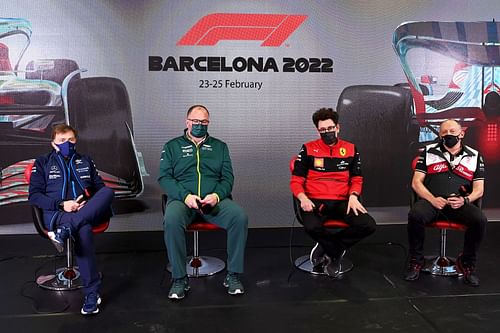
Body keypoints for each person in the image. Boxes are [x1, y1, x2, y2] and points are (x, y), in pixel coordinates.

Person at [159, 104, 248, 299]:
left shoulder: (220, 146)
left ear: (208, 123)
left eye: (204, 122)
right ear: (187, 122)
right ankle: (179, 279)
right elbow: (164, 178)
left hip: (213, 201)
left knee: (239, 217)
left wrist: (216, 195)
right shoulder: (172, 146)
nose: (199, 125)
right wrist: (185, 196)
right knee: (172, 220)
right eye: (196, 121)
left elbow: (228, 178)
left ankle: (232, 275)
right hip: (183, 201)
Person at [29, 124, 114, 314]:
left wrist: (88, 202)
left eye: (70, 140)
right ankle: (92, 293)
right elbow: (34, 196)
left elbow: (99, 188)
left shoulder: (85, 160)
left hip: (84, 209)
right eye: (61, 141)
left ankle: (66, 231)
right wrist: (62, 204)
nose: (67, 144)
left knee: (108, 191)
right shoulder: (42, 162)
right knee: (83, 230)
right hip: (59, 213)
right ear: (53, 143)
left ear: (76, 141)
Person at [290, 108, 376, 277]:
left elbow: (357, 178)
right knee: (311, 226)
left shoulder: (351, 149)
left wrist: (353, 196)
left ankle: (330, 248)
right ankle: (335, 253)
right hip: (315, 201)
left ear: (338, 127)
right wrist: (302, 198)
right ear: (318, 130)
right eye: (322, 130)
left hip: (342, 201)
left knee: (368, 225)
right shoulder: (307, 149)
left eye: (330, 128)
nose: (327, 132)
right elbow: (296, 180)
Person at [405, 119, 487, 286]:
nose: (448, 135)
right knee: (415, 215)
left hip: (459, 204)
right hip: (433, 201)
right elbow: (416, 183)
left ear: (461, 133)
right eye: (444, 132)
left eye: (452, 131)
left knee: (480, 220)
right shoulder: (428, 152)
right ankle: (416, 261)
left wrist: (464, 200)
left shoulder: (475, 156)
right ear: (440, 135)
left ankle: (467, 263)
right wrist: (432, 199)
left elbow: (479, 189)